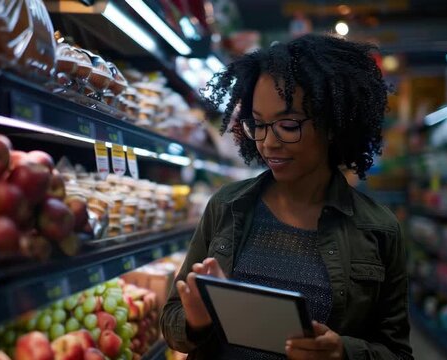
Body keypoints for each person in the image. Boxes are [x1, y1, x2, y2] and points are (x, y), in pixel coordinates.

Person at [160, 33, 413, 360]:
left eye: (288, 125)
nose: (268, 143)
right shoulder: (227, 206)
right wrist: (196, 321)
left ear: (332, 124)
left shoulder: (379, 231)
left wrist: (342, 352)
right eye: (259, 125)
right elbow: (171, 320)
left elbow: (398, 353)